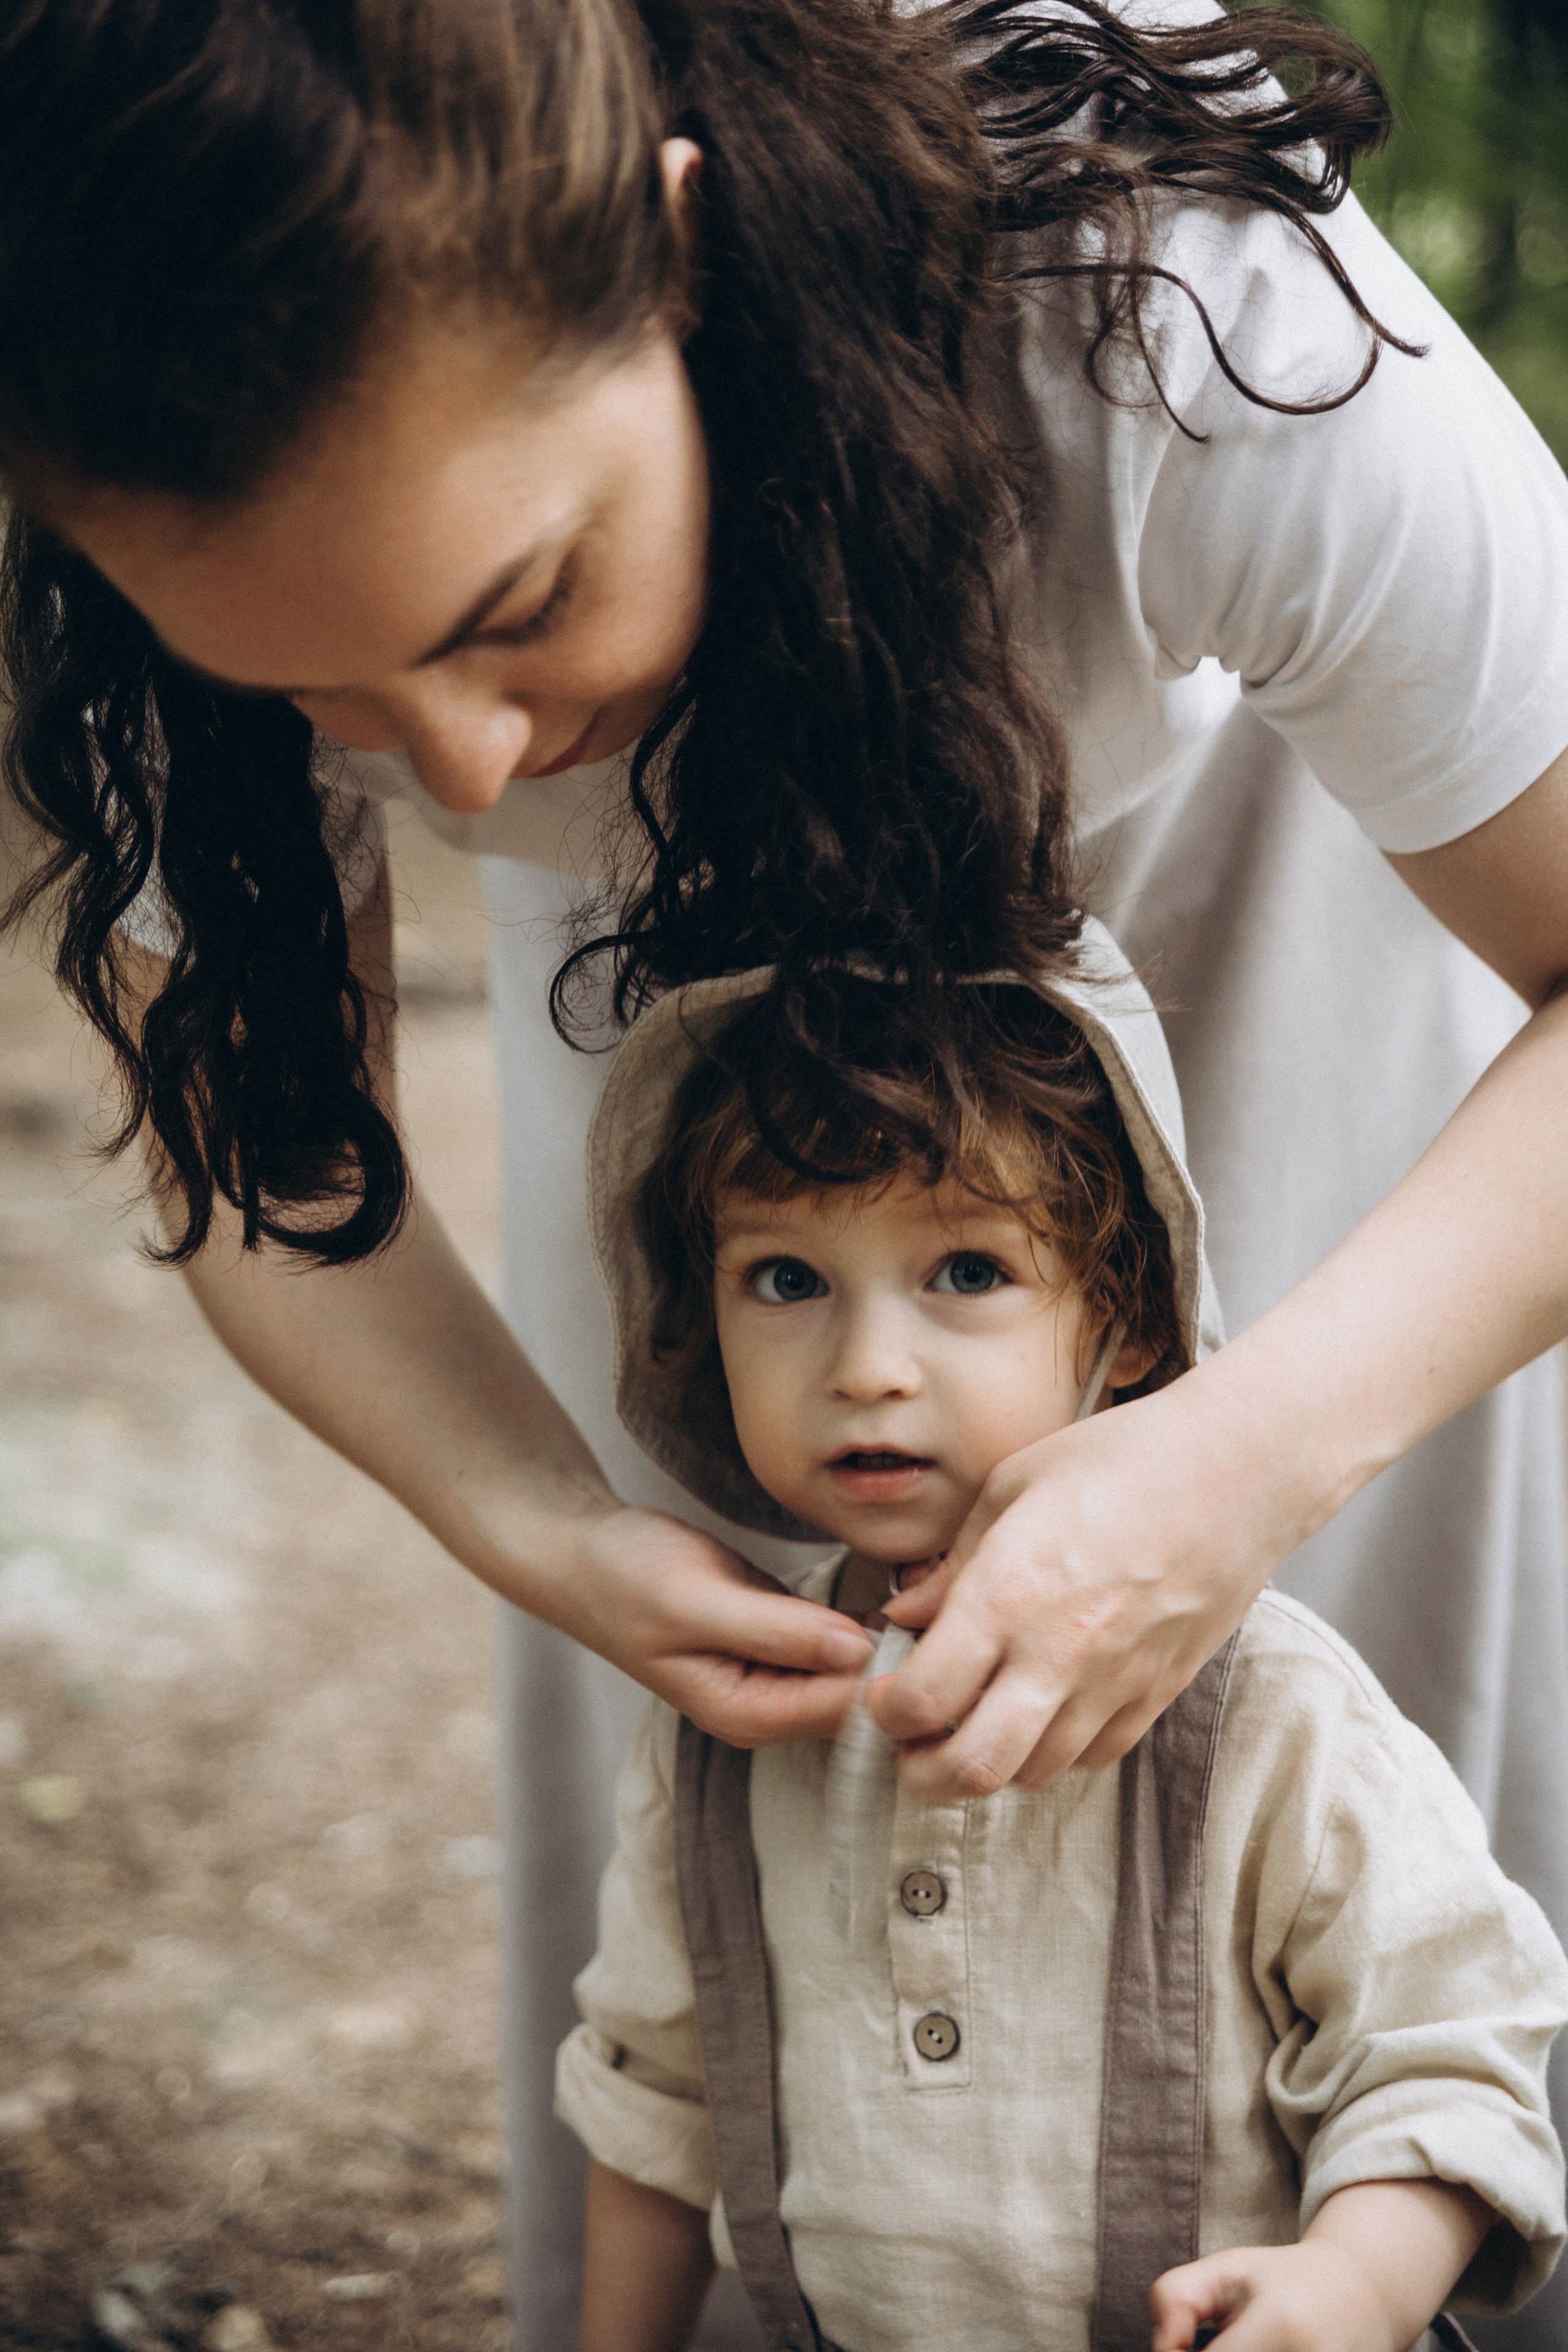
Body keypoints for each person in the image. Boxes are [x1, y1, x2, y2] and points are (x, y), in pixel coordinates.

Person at [1, 2, 1567, 2343]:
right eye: (313, 697)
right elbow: (264, 1157)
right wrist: (541, 1520)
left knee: (1330, 1730)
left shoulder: (1182, 320)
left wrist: (1239, 1455)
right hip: (679, 1017)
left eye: (514, 602)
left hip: (1291, 885)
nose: (458, 770)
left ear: (676, 251)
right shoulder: (181, 540)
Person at [556, 938, 1568, 2352]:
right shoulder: (728, 1717)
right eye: (785, 1280)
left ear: (1130, 1321)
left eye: (965, 1268)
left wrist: (1351, 2284)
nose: (864, 1365)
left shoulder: (1266, 1709)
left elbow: (1446, 2054)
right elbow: (652, 2095)